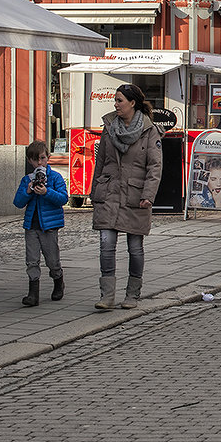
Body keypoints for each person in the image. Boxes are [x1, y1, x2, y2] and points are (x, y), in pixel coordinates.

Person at [91, 83, 162, 311]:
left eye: (120, 100)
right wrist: (95, 191)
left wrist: (148, 194)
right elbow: (100, 162)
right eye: (115, 99)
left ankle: (132, 294)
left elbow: (155, 166)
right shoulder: (109, 126)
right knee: (106, 244)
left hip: (136, 195)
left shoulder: (149, 131)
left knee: (135, 247)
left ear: (132, 103)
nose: (115, 104)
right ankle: (107, 296)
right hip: (110, 192)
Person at [13, 139, 67, 307]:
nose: (39, 162)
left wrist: (46, 192)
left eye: (42, 158)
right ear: (30, 161)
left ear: (48, 158)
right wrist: (28, 190)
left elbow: (63, 198)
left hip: (49, 226)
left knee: (52, 259)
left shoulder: (55, 177)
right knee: (32, 260)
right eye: (35, 159)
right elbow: (18, 202)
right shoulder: (26, 179)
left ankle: (58, 280)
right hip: (32, 225)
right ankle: (33, 293)